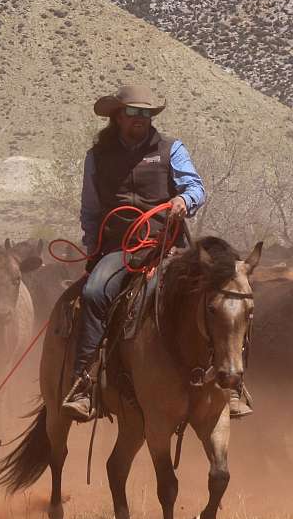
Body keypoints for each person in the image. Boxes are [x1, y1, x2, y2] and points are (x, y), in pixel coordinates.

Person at [61, 83, 252, 421]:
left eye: (147, 113)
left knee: (224, 294)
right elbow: (90, 208)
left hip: (170, 248)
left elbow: (195, 187)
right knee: (92, 293)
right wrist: (94, 248)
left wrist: (183, 199)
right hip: (120, 248)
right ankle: (85, 383)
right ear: (117, 116)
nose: (141, 118)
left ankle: (233, 383)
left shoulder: (171, 149)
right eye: (134, 112)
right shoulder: (97, 157)